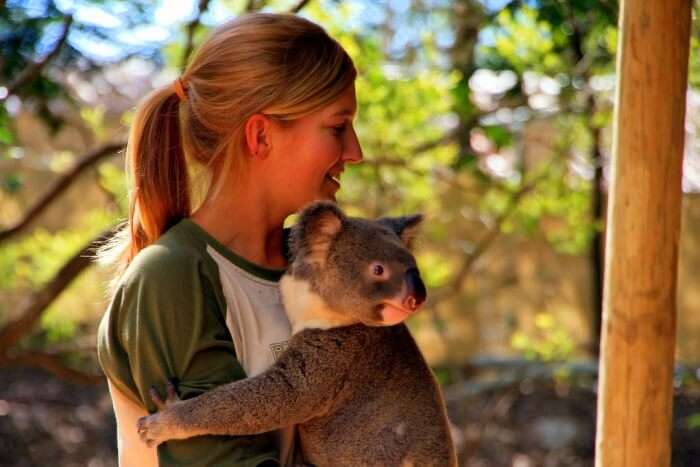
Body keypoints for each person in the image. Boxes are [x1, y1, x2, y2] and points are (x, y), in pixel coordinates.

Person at [96, 12, 362, 467]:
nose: (355, 152)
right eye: (338, 127)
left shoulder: (322, 273)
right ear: (260, 135)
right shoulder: (172, 278)